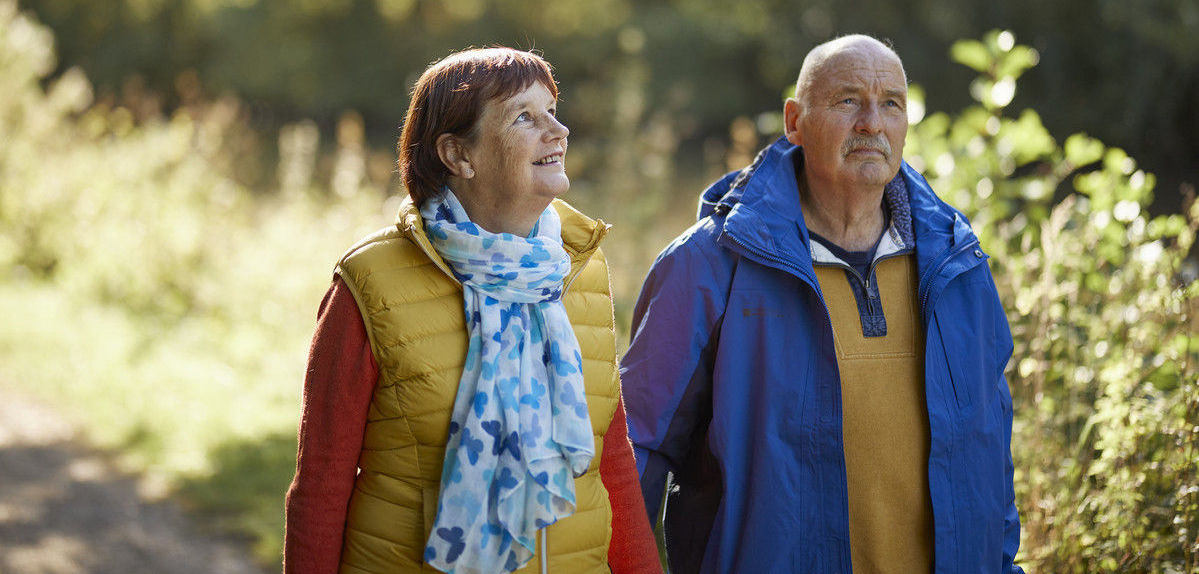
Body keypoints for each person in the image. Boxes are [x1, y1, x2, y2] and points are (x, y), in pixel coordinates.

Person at [620, 35, 1025, 573]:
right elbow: (636, 450)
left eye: (892, 105)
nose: (872, 123)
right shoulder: (708, 265)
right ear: (795, 121)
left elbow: (991, 453)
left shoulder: (959, 264)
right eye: (848, 100)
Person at [284, 48, 661, 574]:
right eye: (525, 117)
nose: (559, 130)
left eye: (552, 109)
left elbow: (611, 464)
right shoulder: (369, 284)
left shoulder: (579, 270)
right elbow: (320, 489)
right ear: (459, 155)